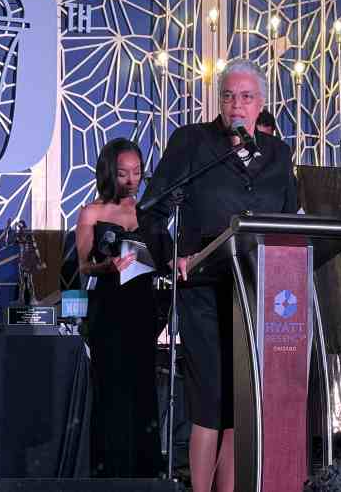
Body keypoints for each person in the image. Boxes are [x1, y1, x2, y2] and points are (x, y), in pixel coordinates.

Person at [138, 59, 298, 492]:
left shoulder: (279, 155)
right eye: (228, 96)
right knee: (210, 403)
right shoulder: (192, 143)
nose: (236, 106)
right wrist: (173, 257)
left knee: (240, 406)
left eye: (246, 97)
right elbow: (150, 211)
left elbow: (289, 222)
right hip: (205, 293)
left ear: (260, 104)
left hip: (257, 294)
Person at [76, 138, 162, 478]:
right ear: (110, 172)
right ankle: (109, 473)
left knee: (143, 390)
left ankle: (146, 474)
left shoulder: (149, 213)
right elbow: (82, 266)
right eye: (124, 173)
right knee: (112, 391)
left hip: (143, 308)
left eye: (138, 172)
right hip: (109, 310)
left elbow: (162, 259)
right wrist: (107, 267)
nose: (132, 180)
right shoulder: (92, 212)